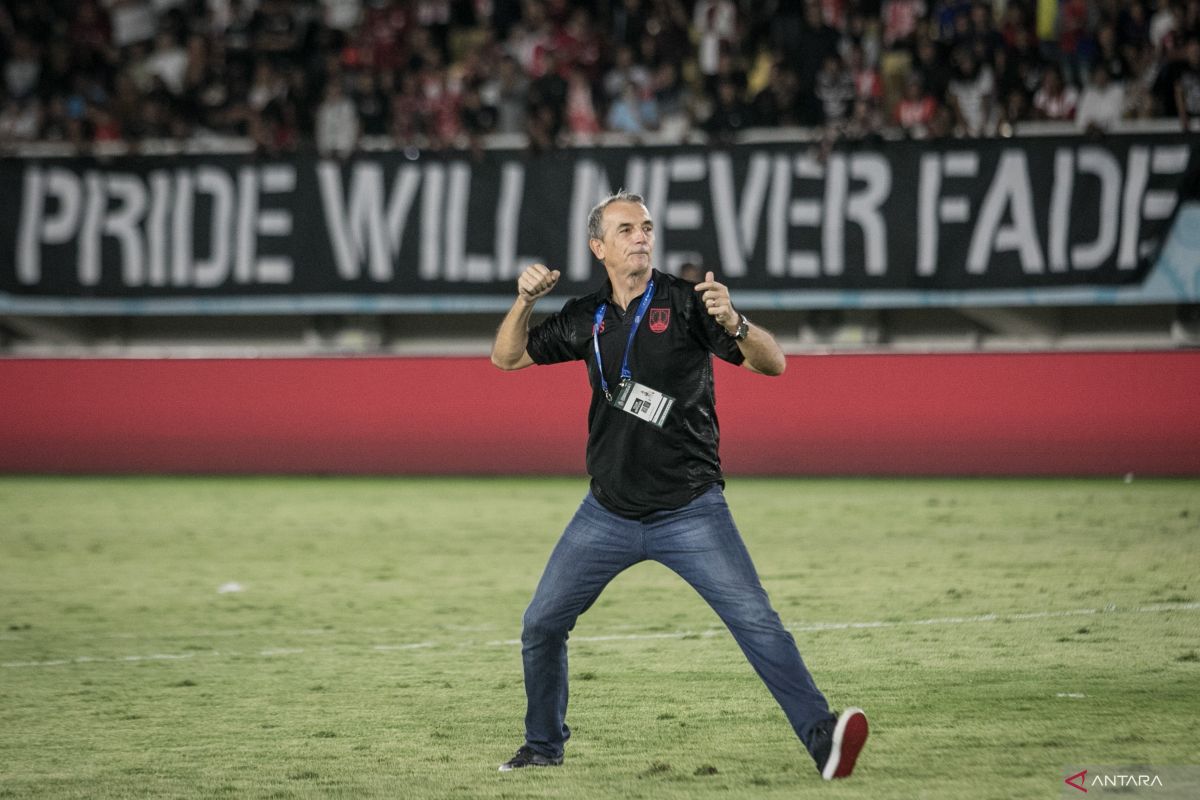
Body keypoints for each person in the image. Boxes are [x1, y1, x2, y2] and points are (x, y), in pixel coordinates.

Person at [489, 191, 868, 781]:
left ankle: (825, 741)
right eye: (625, 230)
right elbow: (506, 359)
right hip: (607, 512)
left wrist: (736, 321)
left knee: (756, 622)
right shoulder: (585, 316)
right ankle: (543, 746)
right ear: (599, 248)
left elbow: (775, 364)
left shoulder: (690, 304)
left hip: (691, 510)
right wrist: (524, 301)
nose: (641, 236)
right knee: (541, 624)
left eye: (646, 227)